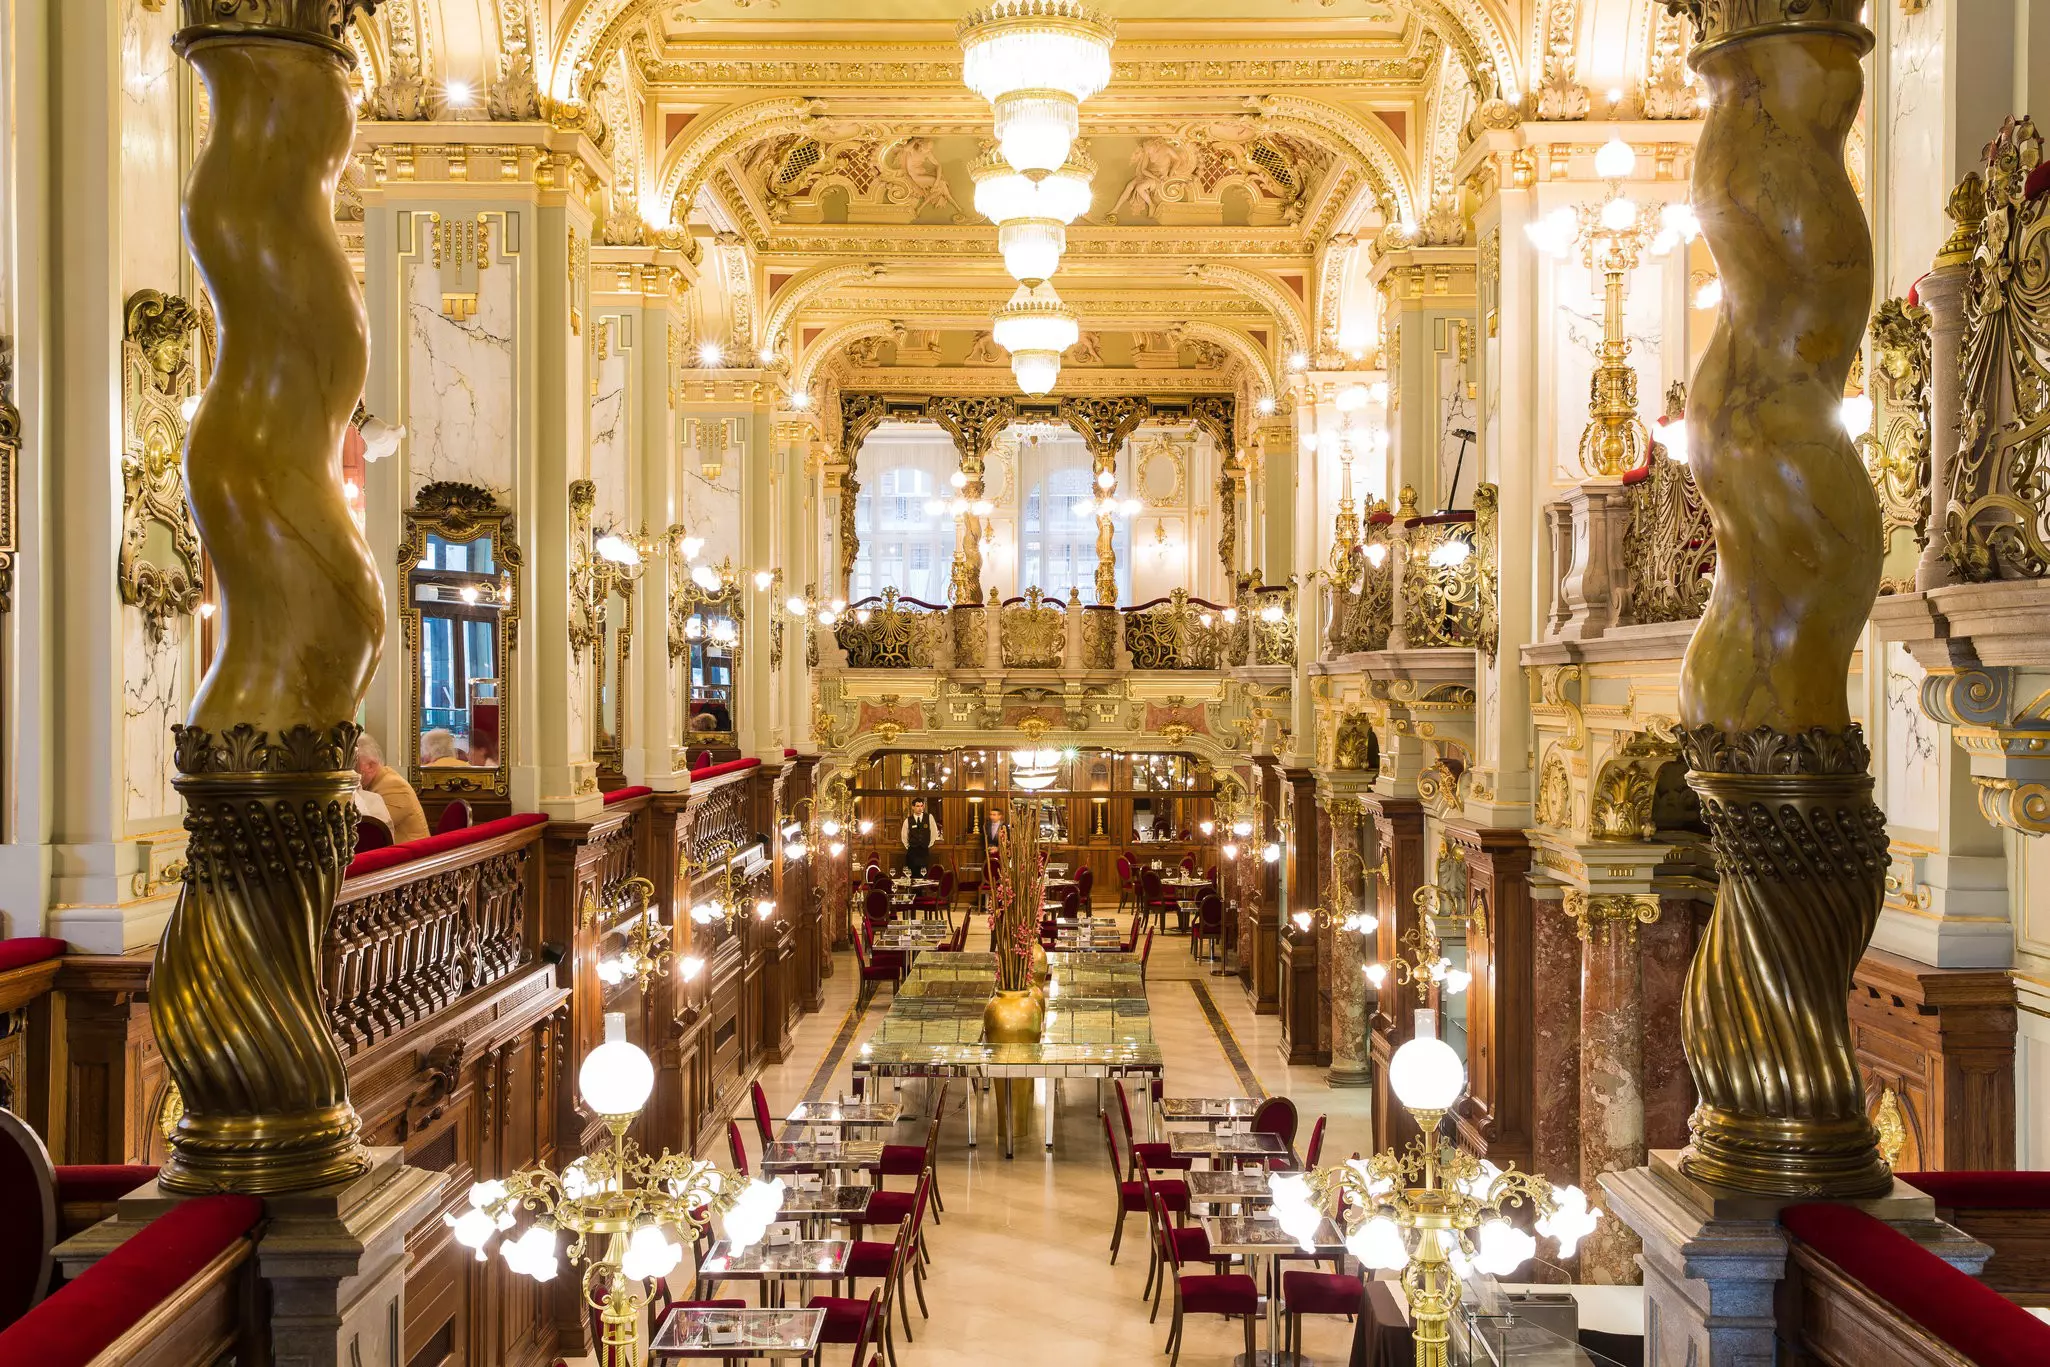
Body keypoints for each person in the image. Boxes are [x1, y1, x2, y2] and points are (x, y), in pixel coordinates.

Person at [355, 732, 430, 844]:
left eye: (353, 764)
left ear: (370, 765)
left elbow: (371, 830)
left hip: (412, 857)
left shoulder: (394, 786)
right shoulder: (380, 782)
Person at [900, 797, 940, 878]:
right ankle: (914, 891)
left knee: (923, 875)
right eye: (918, 806)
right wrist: (909, 846)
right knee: (913, 876)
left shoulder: (929, 817)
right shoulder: (908, 820)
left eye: (921, 806)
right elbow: (904, 836)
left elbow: (934, 832)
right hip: (912, 852)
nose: (920, 808)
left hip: (924, 851)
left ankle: (921, 890)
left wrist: (928, 844)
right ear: (913, 807)